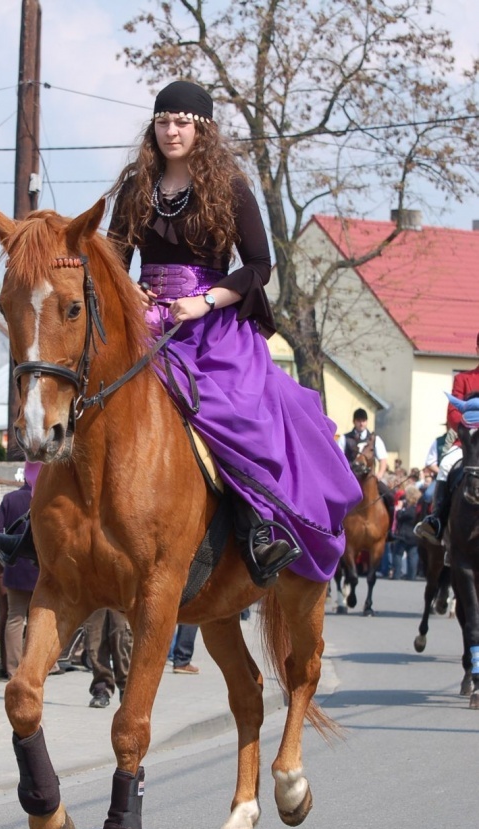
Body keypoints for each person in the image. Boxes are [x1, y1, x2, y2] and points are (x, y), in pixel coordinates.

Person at [106, 80, 360, 589]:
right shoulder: (137, 186)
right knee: (87, 394)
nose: (170, 131)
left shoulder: (229, 187)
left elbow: (261, 266)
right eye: (162, 121)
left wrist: (203, 300)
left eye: (182, 122)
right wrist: (130, 293)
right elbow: (114, 255)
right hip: (143, 319)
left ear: (203, 130)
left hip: (210, 326)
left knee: (240, 417)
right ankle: (42, 525)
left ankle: (259, 528)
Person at [415, 346, 479, 544]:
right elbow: (453, 412)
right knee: (445, 466)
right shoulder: (463, 379)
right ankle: (437, 520)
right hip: (468, 443)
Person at [0, 462, 41, 679]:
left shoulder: (10, 499)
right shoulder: (47, 498)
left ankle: (12, 669)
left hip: (16, 568)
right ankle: (39, 668)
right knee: (39, 620)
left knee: (15, 618)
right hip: (41, 570)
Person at [337, 408, 395, 534]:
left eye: (363, 420)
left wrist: (379, 474)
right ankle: (336, 529)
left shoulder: (375, 439)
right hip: (351, 479)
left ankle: (389, 531)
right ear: (354, 422)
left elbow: (383, 460)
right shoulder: (344, 438)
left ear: (366, 422)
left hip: (370, 479)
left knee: (389, 496)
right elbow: (339, 459)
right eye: (359, 421)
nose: (361, 423)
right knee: (337, 499)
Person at [85, 609, 132, 707]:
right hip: (94, 596)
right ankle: (102, 688)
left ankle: (127, 689)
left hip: (120, 596)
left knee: (121, 636)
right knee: (94, 640)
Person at [392, 485, 421, 580]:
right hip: (414, 536)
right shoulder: (418, 508)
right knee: (413, 556)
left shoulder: (410, 509)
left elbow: (400, 516)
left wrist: (399, 509)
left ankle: (396, 575)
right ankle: (411, 576)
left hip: (404, 535)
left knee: (397, 554)